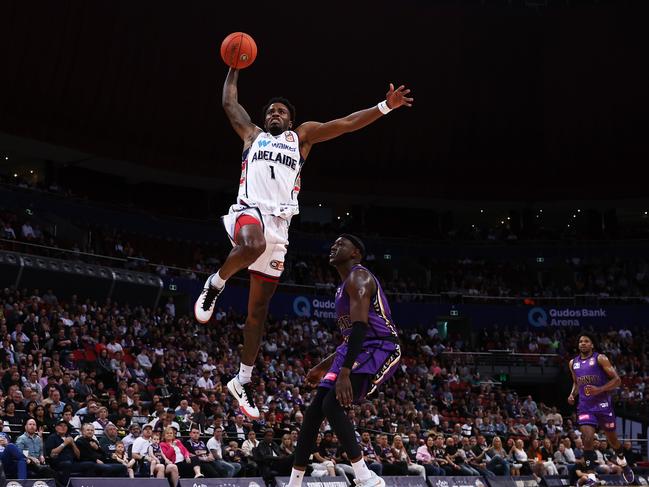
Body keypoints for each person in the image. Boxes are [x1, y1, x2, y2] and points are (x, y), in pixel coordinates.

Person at [194, 66, 413, 420]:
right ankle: (214, 284)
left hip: (280, 226)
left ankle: (242, 379)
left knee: (258, 312)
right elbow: (228, 102)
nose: (274, 114)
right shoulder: (251, 135)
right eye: (270, 112)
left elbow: (345, 123)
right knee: (251, 244)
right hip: (249, 211)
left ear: (290, 119)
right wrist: (234, 66)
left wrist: (384, 107)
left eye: (280, 111)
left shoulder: (302, 138)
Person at [285, 235, 402, 487]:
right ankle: (294, 483)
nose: (333, 246)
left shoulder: (359, 277)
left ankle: (364, 478)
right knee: (314, 411)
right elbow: (350, 337)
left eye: (341, 244)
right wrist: (323, 366)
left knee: (332, 404)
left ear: (355, 253)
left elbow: (361, 328)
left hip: (380, 346)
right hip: (355, 347)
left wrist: (345, 372)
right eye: (333, 243)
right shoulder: (342, 286)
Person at [568, 332, 634, 484]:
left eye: (586, 341)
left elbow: (617, 380)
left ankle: (623, 462)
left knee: (613, 440)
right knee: (587, 439)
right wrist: (572, 394)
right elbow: (576, 383)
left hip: (603, 405)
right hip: (585, 406)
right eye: (580, 341)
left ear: (592, 345)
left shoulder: (600, 358)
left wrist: (600, 389)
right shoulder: (573, 363)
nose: (582, 343)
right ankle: (591, 476)